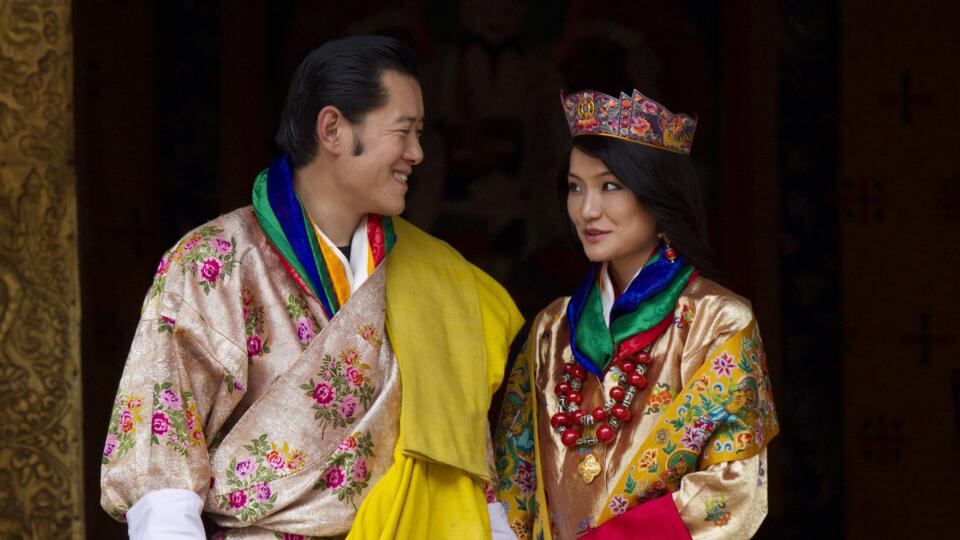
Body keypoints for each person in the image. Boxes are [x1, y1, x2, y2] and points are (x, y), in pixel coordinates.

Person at [100, 35, 523, 539]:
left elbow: (467, 473)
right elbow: (160, 468)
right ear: (333, 129)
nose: (417, 153)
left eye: (419, 134)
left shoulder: (438, 277)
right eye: (403, 132)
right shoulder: (215, 261)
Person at [494, 88, 779, 539]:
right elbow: (516, 485)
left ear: (657, 194)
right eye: (575, 187)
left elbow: (730, 490)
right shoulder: (552, 328)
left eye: (610, 186)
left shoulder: (717, 321)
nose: (587, 210)